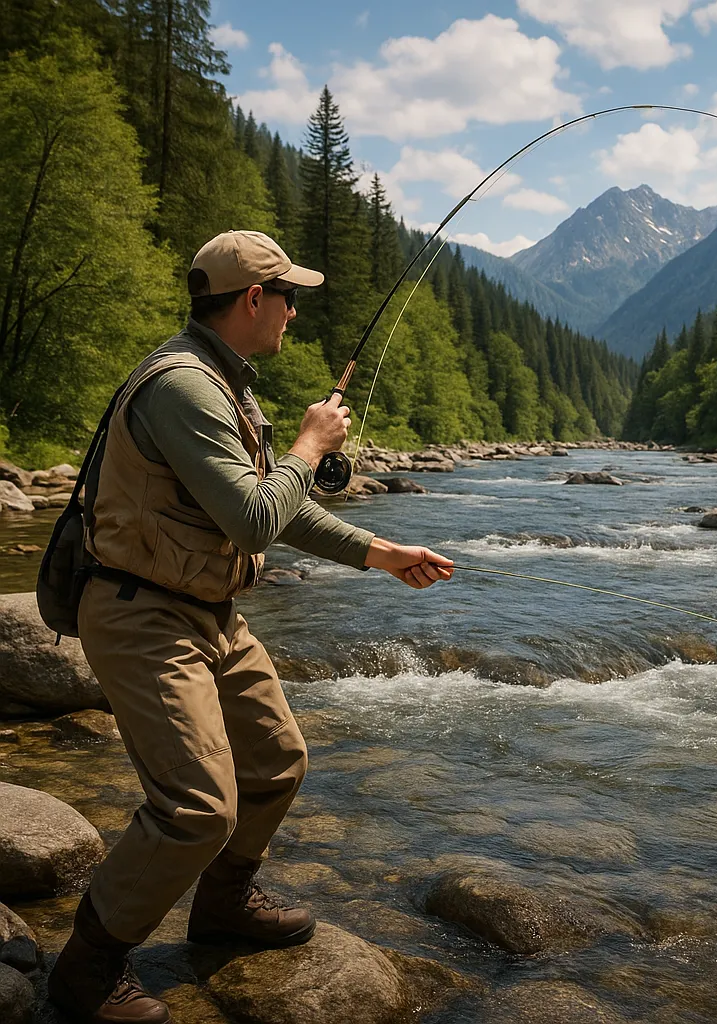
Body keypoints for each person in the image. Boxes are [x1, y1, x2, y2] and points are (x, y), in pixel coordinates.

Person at [47, 230, 453, 1024]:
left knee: (275, 759)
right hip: (142, 613)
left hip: (205, 609)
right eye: (290, 296)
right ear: (255, 299)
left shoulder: (227, 384)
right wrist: (309, 444)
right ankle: (87, 969)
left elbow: (278, 508)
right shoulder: (185, 388)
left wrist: (380, 552)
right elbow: (253, 517)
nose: (296, 312)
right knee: (198, 806)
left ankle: (223, 904)